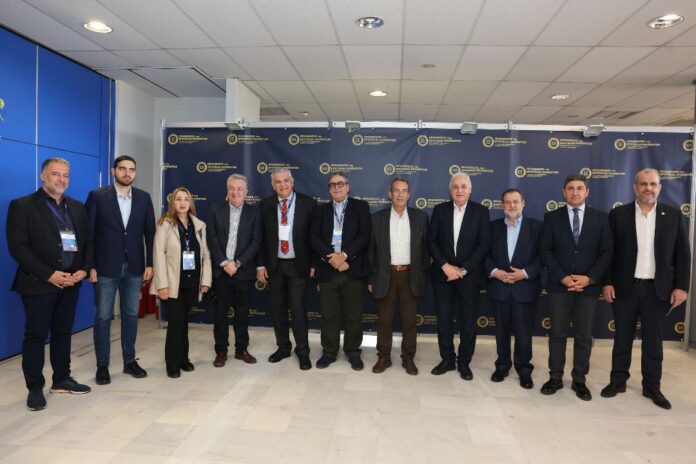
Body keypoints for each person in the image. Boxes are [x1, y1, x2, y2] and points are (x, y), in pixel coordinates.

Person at [7, 157, 93, 411]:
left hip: (71, 282)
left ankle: (61, 379)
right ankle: (35, 388)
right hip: (39, 283)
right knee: (36, 335)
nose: (61, 179)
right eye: (56, 174)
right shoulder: (22, 206)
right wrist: (48, 274)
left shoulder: (76, 207)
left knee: (63, 332)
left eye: (66, 175)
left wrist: (83, 270)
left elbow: (88, 243)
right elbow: (18, 248)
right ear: (43, 175)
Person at [601, 168, 690, 409]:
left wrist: (681, 287)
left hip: (657, 290)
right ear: (635, 187)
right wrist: (607, 282)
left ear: (659, 187)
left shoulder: (673, 215)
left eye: (653, 184)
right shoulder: (618, 215)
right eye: (643, 184)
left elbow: (683, 254)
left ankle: (652, 386)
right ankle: (617, 381)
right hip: (625, 288)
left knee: (654, 341)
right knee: (622, 338)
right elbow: (609, 253)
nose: (648, 188)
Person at [539, 174, 612, 401]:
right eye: (570, 188)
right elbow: (545, 251)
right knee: (557, 334)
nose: (575, 192)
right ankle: (555, 377)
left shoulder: (601, 218)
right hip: (559, 287)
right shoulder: (552, 217)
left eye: (580, 188)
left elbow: (607, 252)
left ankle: (579, 380)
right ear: (564, 192)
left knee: (583, 336)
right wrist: (562, 277)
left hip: (587, 288)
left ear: (587, 192)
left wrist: (590, 278)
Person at [85, 155, 155, 385]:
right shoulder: (97, 196)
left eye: (131, 169)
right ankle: (102, 365)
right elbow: (88, 234)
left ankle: (129, 361)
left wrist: (150, 263)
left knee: (130, 315)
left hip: (134, 267)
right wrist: (89, 266)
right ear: (113, 171)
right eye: (122, 169)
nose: (127, 173)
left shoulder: (144, 198)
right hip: (105, 267)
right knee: (103, 316)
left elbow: (150, 234)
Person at [428, 173, 490, 380]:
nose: (459, 190)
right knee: (444, 321)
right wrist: (445, 266)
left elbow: (484, 245)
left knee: (468, 322)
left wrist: (463, 270)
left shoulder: (481, 212)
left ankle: (464, 363)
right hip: (443, 275)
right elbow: (431, 241)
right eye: (455, 187)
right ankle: (447, 360)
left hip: (469, 277)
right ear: (450, 190)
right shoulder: (440, 210)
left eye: (463, 186)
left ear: (470, 190)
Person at [368, 177, 429, 375]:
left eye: (404, 191)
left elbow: (426, 250)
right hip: (386, 276)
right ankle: (383, 357)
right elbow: (371, 252)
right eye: (396, 190)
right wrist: (371, 279)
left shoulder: (420, 217)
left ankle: (408, 358)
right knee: (384, 320)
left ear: (409, 195)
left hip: (411, 276)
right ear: (390, 194)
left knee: (409, 320)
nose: (400, 194)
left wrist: (422, 274)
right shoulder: (377, 219)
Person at [257, 168, 317, 370]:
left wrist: (313, 264)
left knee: (298, 309)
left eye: (286, 181)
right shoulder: (265, 205)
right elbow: (260, 237)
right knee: (278, 309)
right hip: (274, 266)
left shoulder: (308, 203)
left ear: (292, 182)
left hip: (298, 265)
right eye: (278, 182)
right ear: (273, 186)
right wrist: (260, 265)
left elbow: (314, 236)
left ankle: (303, 351)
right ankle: (283, 347)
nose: (282, 185)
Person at [310, 172, 371, 370]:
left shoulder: (361, 207)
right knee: (329, 315)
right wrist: (332, 259)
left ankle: (353, 352)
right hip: (328, 271)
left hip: (353, 270)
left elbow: (364, 235)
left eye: (340, 184)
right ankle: (329, 352)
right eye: (332, 185)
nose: (336, 187)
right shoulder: (321, 211)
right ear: (329, 189)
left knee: (353, 316)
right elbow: (314, 238)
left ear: (348, 186)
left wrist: (344, 256)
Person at [151, 188, 212, 378]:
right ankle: (172, 363)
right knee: (176, 323)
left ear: (191, 203)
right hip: (172, 283)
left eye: (186, 199)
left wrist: (205, 280)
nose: (182, 202)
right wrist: (162, 285)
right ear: (173, 203)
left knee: (183, 322)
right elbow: (158, 254)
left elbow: (205, 254)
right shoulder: (165, 224)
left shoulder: (199, 225)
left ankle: (184, 359)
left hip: (192, 282)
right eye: (178, 199)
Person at [484, 189, 542, 389]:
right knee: (501, 332)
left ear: (523, 203)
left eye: (515, 201)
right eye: (507, 202)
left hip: (524, 289)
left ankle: (524, 371)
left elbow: (543, 256)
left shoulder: (537, 227)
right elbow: (483, 254)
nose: (512, 206)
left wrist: (524, 273)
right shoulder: (492, 227)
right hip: (499, 288)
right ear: (502, 205)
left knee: (524, 333)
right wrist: (495, 272)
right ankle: (502, 366)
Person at [206, 174, 262, 367]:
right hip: (221, 271)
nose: (235, 192)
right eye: (232, 188)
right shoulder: (215, 209)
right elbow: (211, 238)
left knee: (242, 313)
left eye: (239, 189)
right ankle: (221, 351)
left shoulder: (255, 212)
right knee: (220, 313)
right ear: (227, 190)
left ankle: (241, 349)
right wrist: (224, 262)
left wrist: (237, 263)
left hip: (243, 271)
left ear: (246, 192)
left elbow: (256, 242)